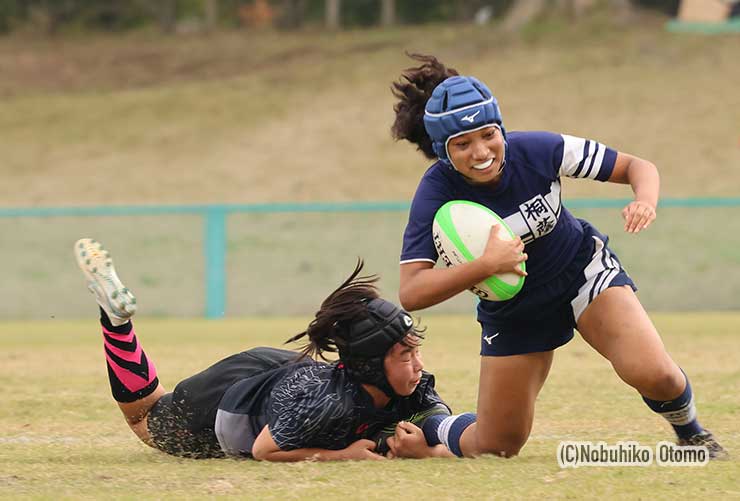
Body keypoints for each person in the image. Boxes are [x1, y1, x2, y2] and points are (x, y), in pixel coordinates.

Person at [390, 54, 727, 459]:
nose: (481, 151)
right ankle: (432, 425)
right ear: (444, 151)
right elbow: (411, 291)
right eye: (463, 144)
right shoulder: (435, 192)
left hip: (581, 273)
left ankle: (692, 435)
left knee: (656, 374)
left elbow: (639, 166)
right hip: (515, 312)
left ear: (501, 128)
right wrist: (485, 266)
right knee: (497, 446)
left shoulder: (539, 150)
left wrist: (645, 200)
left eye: (488, 134)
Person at [74, 238, 453, 461]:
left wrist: (433, 448)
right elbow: (264, 450)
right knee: (145, 421)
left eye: (415, 351)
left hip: (284, 375)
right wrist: (339, 456)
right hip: (237, 397)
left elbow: (441, 418)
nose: (418, 365)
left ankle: (116, 319)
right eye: (405, 355)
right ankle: (116, 321)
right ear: (370, 365)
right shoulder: (330, 404)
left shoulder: (409, 383)